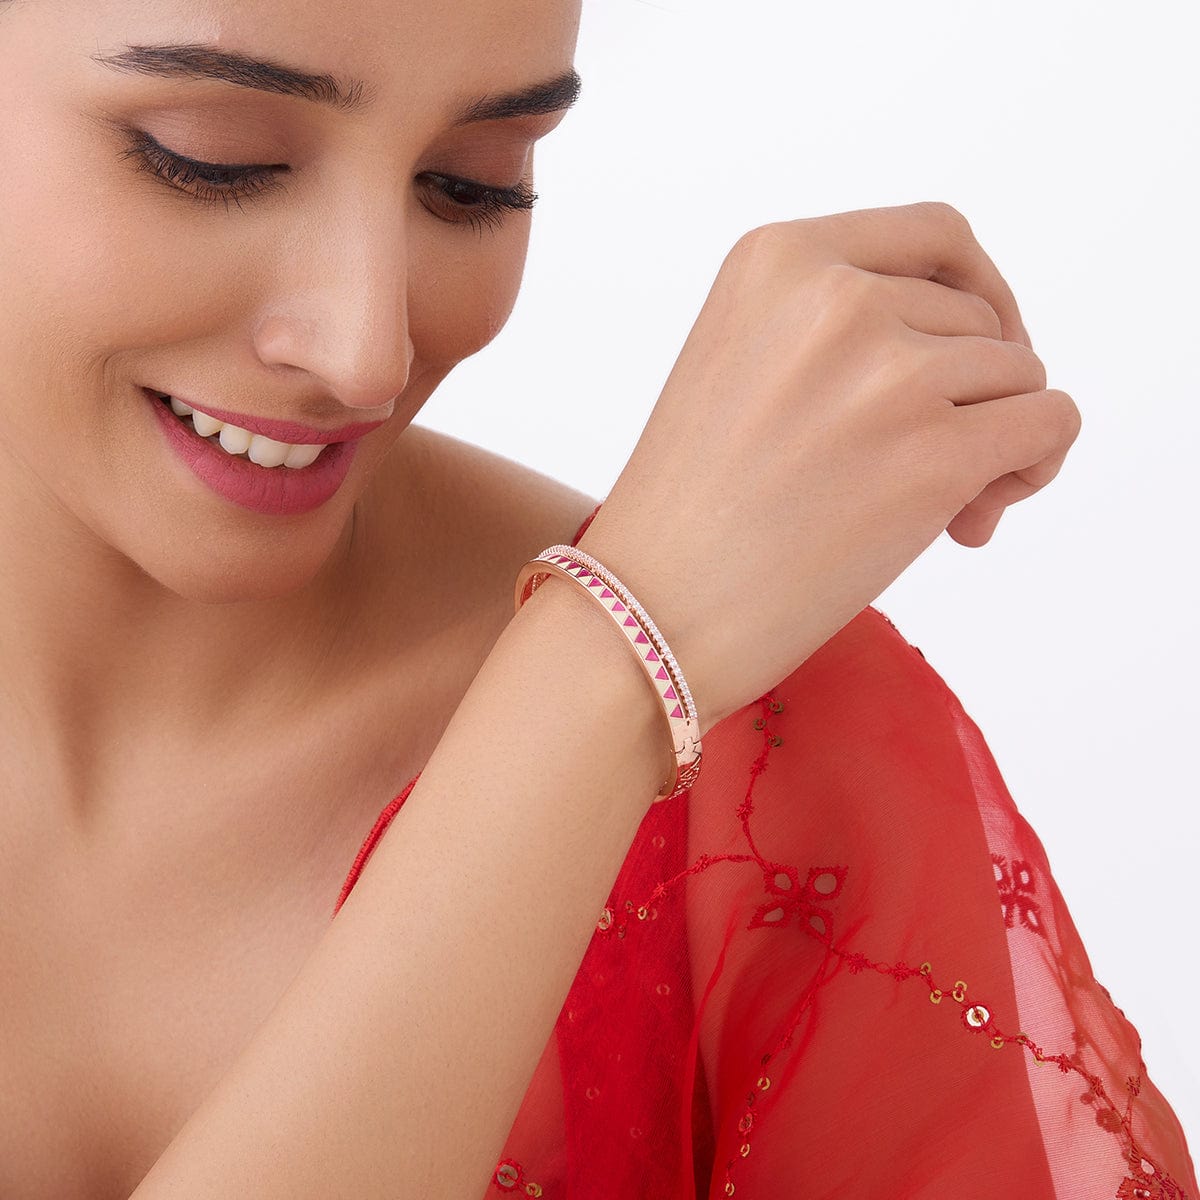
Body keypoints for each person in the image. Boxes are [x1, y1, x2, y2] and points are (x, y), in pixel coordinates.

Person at [0, 2, 1193, 1199]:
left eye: (472, 184)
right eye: (211, 161)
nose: (366, 351)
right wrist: (603, 668)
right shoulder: (662, 659)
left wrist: (614, 662)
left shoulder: (762, 749)